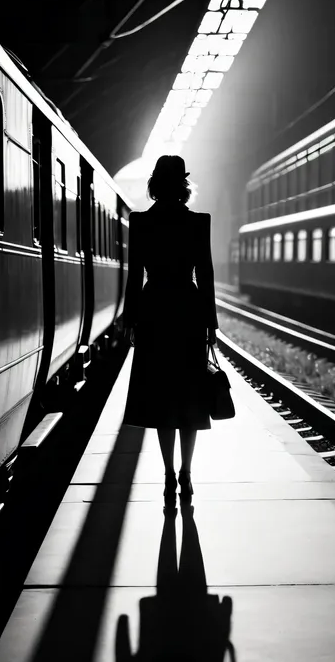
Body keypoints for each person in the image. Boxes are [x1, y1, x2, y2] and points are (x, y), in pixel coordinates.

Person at [122, 155, 218, 500]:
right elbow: (205, 275)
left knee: (162, 395)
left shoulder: (141, 222)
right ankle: (187, 474)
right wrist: (211, 324)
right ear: (183, 184)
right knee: (190, 395)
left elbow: (134, 276)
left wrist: (130, 319)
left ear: (154, 184)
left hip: (154, 310)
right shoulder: (198, 222)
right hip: (188, 310)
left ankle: (167, 476)